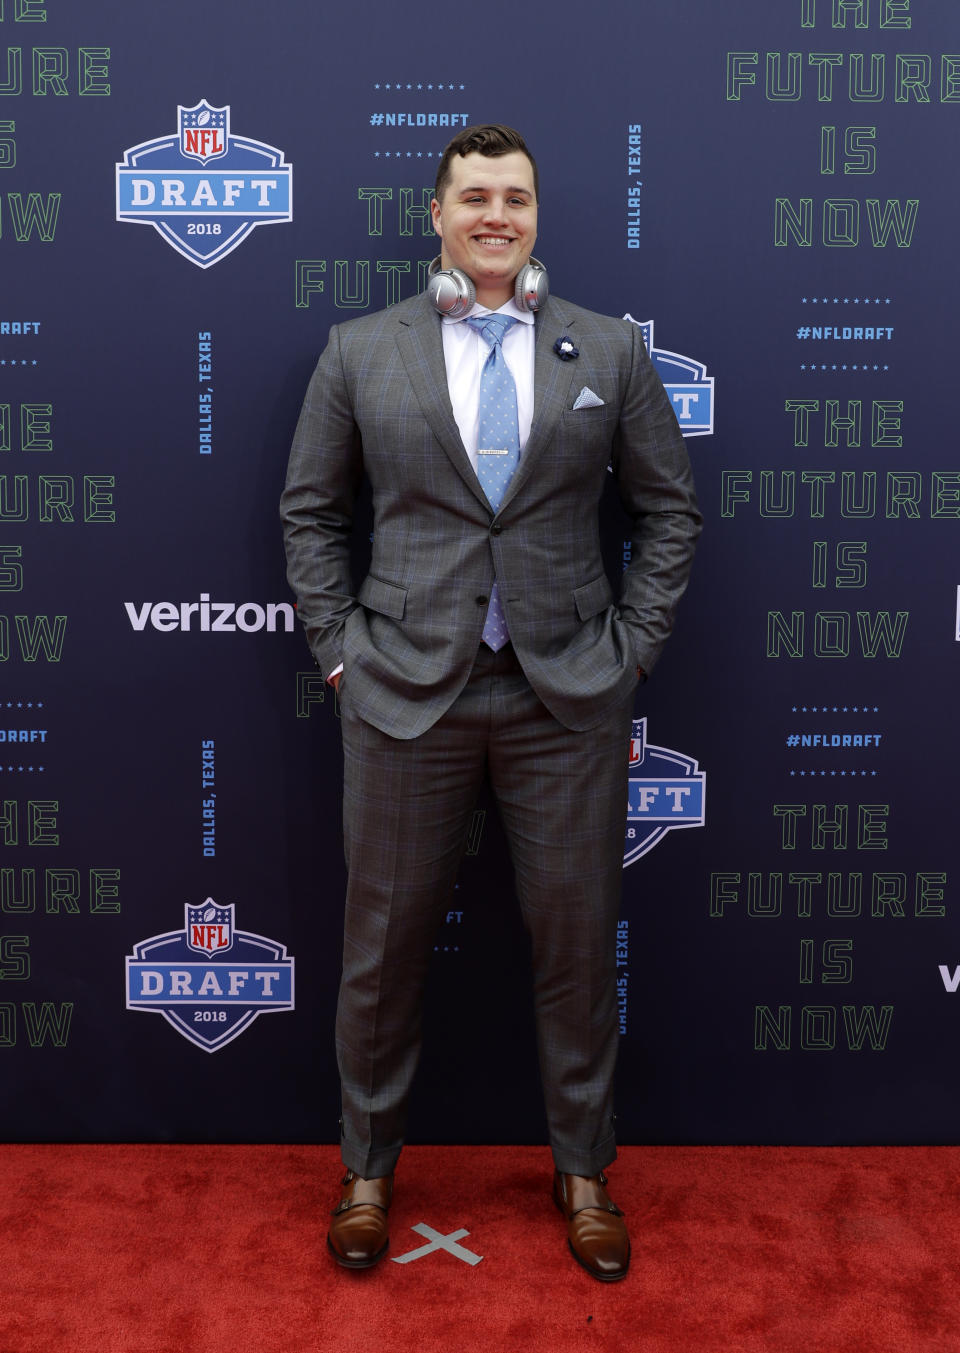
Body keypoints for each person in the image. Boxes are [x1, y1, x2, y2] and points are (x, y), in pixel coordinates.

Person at [281, 124, 701, 1282]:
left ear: (535, 214)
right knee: (383, 948)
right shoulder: (363, 351)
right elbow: (311, 518)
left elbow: (670, 515)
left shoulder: (606, 353)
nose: (495, 217)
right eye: (474, 197)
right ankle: (366, 1171)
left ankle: (583, 1173)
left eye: (514, 197)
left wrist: (630, 655)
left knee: (574, 950)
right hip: (403, 696)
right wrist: (338, 659)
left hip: (565, 698)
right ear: (437, 213)